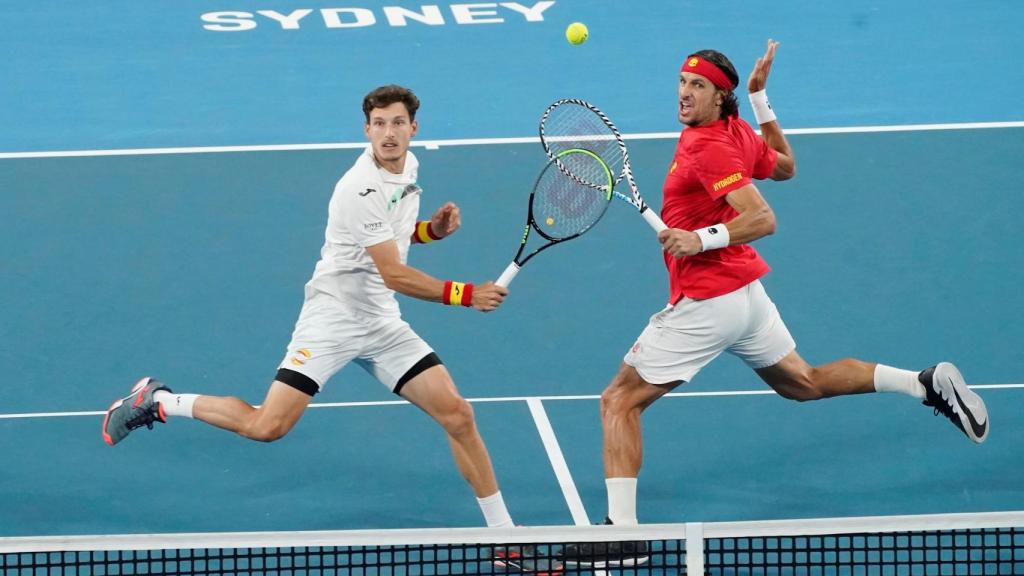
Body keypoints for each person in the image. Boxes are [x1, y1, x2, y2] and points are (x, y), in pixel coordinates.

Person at [559, 41, 990, 568]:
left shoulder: (706, 147)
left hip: (710, 299)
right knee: (802, 383)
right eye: (682, 82)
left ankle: (622, 536)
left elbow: (763, 218)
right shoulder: (737, 132)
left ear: (721, 97)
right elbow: (784, 166)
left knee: (619, 402)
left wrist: (701, 239)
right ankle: (923, 382)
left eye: (699, 86)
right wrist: (762, 102)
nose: (685, 93)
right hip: (746, 297)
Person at [101, 85, 555, 573]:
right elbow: (395, 273)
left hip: (381, 322)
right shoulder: (357, 188)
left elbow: (392, 239)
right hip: (333, 319)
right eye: (379, 124)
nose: (388, 133)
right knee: (267, 426)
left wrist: (430, 232)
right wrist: (467, 294)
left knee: (458, 415)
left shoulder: (410, 166)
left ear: (413, 128)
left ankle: (505, 539)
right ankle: (159, 401)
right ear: (366, 129)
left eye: (397, 123)